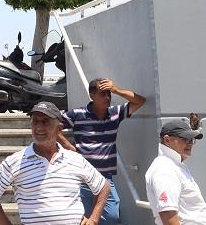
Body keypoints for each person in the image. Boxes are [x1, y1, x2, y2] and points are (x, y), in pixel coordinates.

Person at [0, 100, 109, 225]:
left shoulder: (75, 159)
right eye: (35, 121)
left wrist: (93, 219)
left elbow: (103, 187)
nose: (39, 127)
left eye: (45, 122)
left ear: (59, 129)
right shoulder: (15, 161)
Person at [58, 77, 147, 224]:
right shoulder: (77, 114)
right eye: (103, 93)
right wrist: (69, 147)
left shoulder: (115, 113)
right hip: (83, 177)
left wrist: (116, 89)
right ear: (92, 95)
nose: (107, 97)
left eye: (109, 93)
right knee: (83, 218)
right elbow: (53, 126)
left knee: (112, 216)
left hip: (105, 178)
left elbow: (140, 101)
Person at [145, 117, 206, 225]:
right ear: (167, 140)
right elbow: (168, 214)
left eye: (191, 140)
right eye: (185, 139)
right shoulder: (165, 169)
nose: (190, 144)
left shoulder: (174, 166)